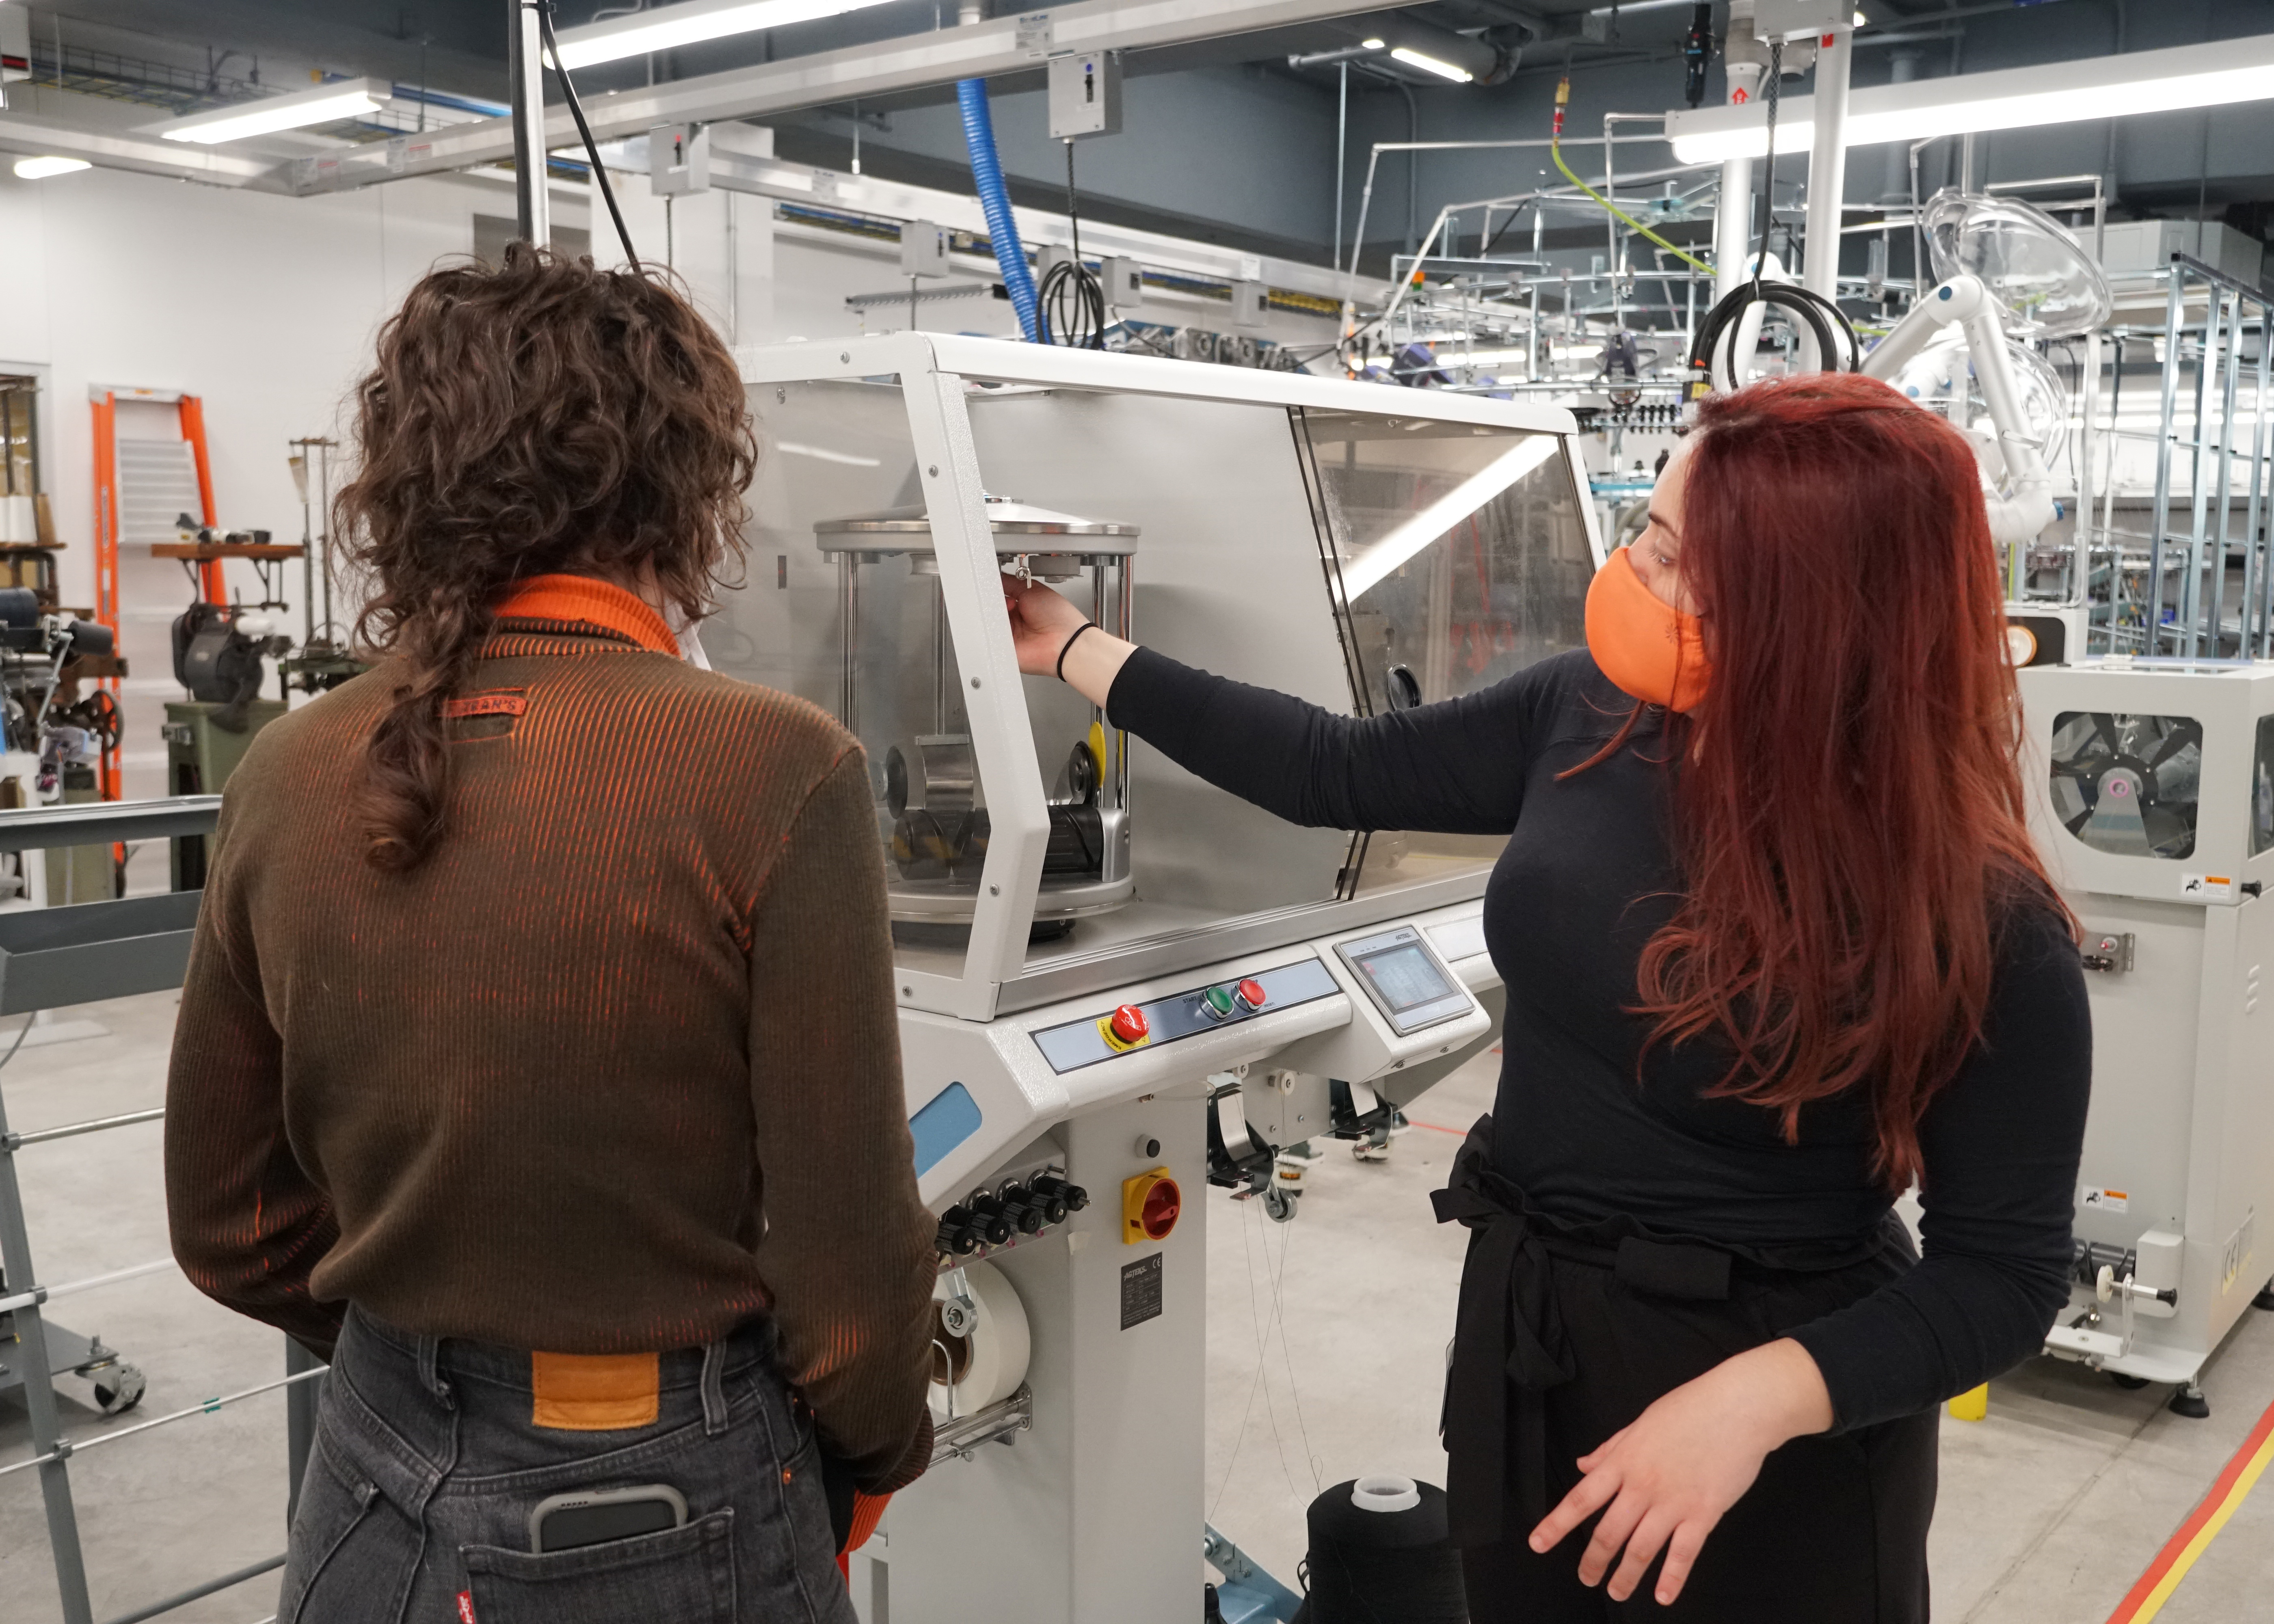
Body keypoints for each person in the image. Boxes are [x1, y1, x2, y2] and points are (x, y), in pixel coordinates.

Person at [1004, 373, 2091, 1621]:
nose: (1634, 571)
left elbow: (2004, 1277)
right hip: (1532, 1344)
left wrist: (1761, 1400)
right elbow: (1333, 767)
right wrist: (1073, 646)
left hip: (1767, 1423)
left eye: (1679, 560)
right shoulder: (1591, 712)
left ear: (1816, 618)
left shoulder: (1977, 916)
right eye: (1648, 529)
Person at [165, 248, 937, 1624]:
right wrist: (875, 1449)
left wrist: (430, 1356)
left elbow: (227, 1222)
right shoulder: (778, 768)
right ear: (684, 482)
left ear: (407, 483)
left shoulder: (283, 770)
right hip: (669, 1498)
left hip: (369, 1483)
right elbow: (850, 1272)